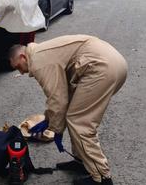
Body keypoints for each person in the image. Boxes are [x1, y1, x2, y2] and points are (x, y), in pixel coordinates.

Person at [8, 35, 127, 185]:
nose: (22, 72)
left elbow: (58, 100)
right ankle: (82, 162)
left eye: (18, 66)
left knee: (80, 122)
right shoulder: (41, 53)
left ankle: (102, 178)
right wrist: (49, 119)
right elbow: (65, 94)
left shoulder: (38, 62)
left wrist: (56, 129)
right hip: (111, 64)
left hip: (102, 69)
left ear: (23, 56)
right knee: (74, 114)